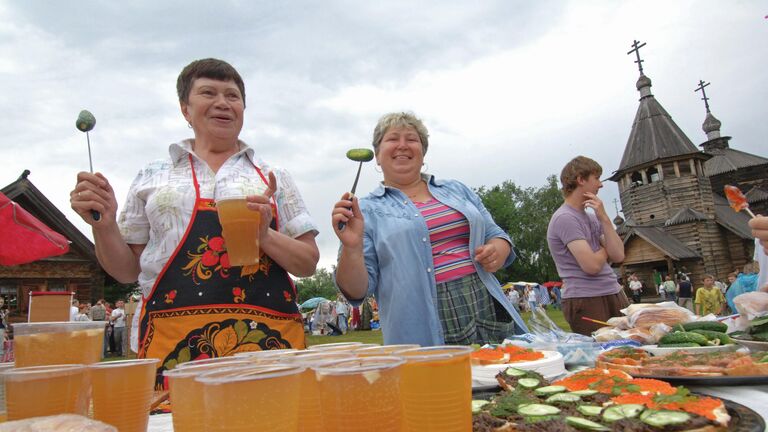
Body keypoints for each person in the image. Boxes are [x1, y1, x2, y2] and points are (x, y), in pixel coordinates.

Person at [70, 59, 319, 382]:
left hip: (268, 345)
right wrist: (102, 226)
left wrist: (266, 237)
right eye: (208, 93)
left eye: (232, 96)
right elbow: (126, 270)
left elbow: (308, 263)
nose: (222, 103)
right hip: (175, 346)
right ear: (185, 109)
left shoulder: (274, 177)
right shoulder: (152, 176)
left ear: (243, 108)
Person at [332, 112, 528, 346]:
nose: (403, 145)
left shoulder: (457, 189)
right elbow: (356, 291)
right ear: (377, 155)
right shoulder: (365, 210)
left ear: (423, 152)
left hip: (486, 305)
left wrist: (498, 249)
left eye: (412, 139)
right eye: (393, 138)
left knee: (504, 376)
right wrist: (351, 247)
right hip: (420, 325)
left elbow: (496, 234)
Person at [546, 156, 629, 336]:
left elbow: (619, 255)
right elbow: (591, 266)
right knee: (603, 357)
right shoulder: (565, 218)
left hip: (613, 291)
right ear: (581, 179)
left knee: (630, 350)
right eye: (597, 178)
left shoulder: (593, 217)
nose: (600, 184)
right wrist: (604, 250)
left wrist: (605, 219)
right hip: (586, 299)